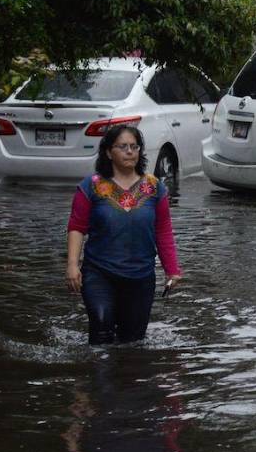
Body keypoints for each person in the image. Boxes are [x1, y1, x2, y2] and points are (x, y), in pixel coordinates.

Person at [66, 125, 182, 344]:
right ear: (109, 152)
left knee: (132, 341)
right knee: (101, 327)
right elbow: (77, 227)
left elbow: (163, 231)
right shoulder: (91, 186)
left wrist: (172, 270)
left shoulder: (154, 188)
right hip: (99, 273)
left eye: (134, 146)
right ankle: (98, 366)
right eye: (123, 146)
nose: (130, 151)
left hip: (140, 276)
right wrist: (72, 265)